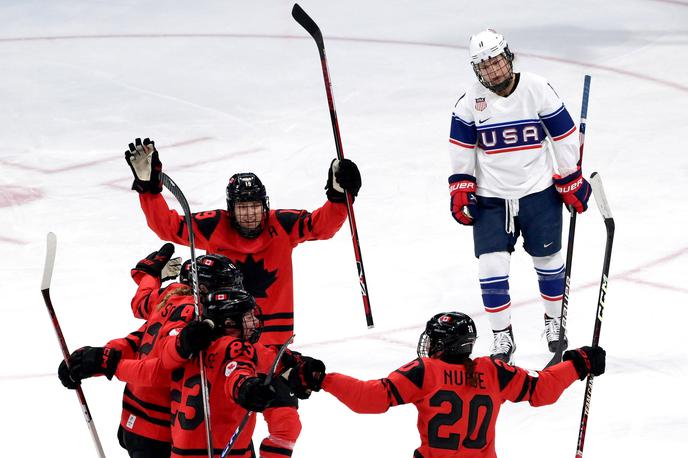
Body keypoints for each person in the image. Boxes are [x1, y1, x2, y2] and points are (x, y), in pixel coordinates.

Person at [125, 137, 362, 456]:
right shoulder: (213, 226)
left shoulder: (281, 224)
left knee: (285, 422)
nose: (249, 215)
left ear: (265, 205)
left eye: (254, 207)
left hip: (271, 351)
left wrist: (338, 197)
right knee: (220, 421)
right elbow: (168, 227)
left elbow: (322, 226)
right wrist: (147, 188)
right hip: (221, 347)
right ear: (229, 209)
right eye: (242, 207)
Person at [446, 29, 592, 362]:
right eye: (484, 67)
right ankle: (502, 336)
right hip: (491, 198)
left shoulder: (537, 89)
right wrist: (461, 188)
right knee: (490, 268)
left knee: (550, 262)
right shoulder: (470, 102)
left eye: (496, 62)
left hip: (537, 193)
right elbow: (461, 151)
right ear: (476, 70)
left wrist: (570, 178)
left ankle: (554, 323)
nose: (493, 71)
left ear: (508, 57)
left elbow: (565, 136)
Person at [289, 311, 606, 458]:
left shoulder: (426, 371)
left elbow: (369, 399)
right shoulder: (494, 371)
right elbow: (543, 391)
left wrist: (324, 379)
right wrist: (578, 363)